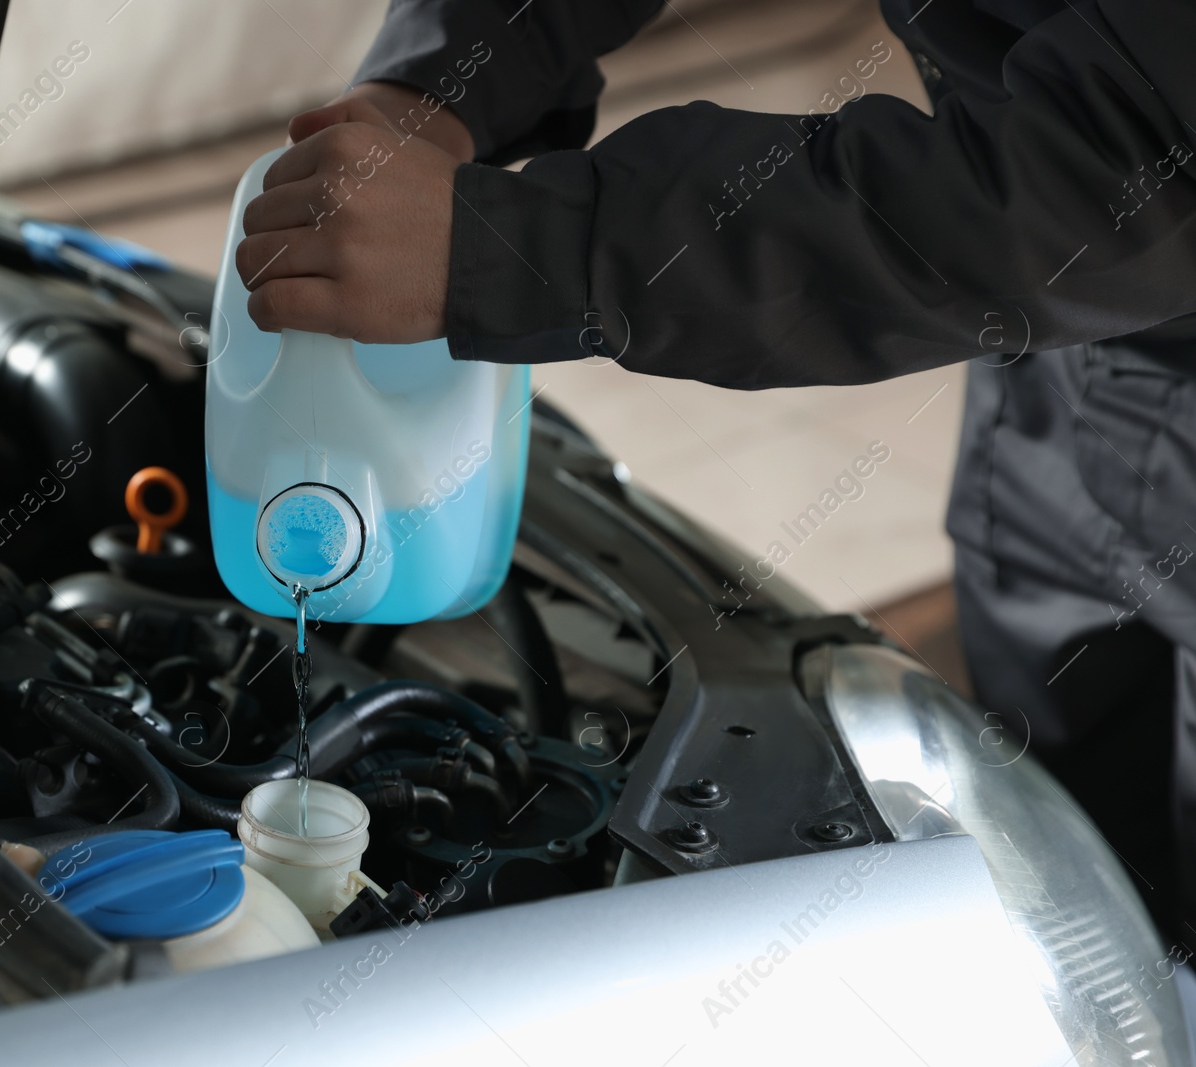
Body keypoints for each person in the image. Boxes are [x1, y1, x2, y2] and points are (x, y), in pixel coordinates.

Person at [235, 0, 1196, 924]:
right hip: (1048, 361)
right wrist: (443, 82)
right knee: (1062, 851)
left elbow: (1127, 160)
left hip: (1109, 274)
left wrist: (522, 247)